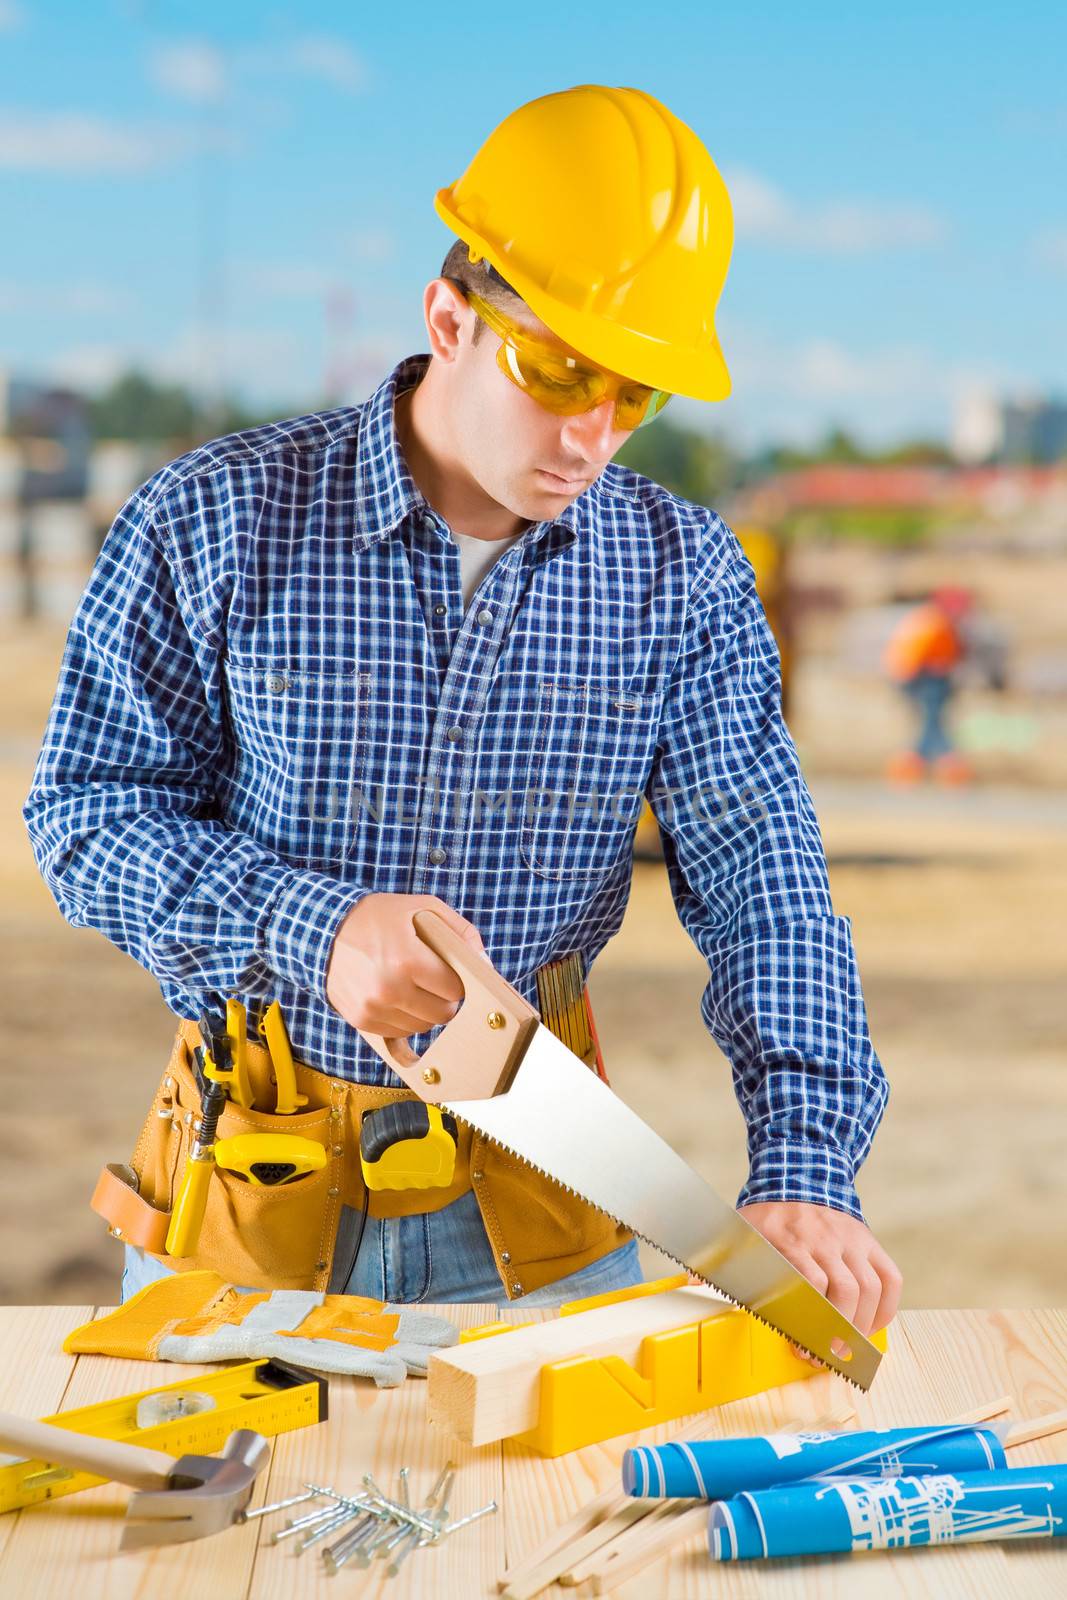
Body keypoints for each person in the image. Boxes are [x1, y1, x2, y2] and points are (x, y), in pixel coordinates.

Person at [23, 84, 901, 1341]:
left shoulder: (683, 577)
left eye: (634, 394)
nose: (589, 434)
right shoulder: (210, 517)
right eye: (558, 371)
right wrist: (313, 926)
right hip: (253, 1197)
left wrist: (806, 1170)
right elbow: (86, 816)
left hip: (546, 1204)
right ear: (450, 317)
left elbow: (764, 879)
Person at [884, 586, 975, 785]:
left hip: (915, 675)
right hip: (923, 677)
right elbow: (924, 656)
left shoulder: (926, 618)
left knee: (931, 723)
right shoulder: (936, 623)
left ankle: (918, 763)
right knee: (933, 723)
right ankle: (941, 764)